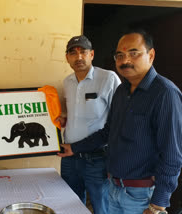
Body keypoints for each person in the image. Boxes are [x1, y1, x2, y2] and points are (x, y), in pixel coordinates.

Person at [58, 28, 182, 214]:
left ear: (151, 55)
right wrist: (73, 147)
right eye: (120, 55)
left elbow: (172, 155)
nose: (125, 60)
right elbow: (108, 131)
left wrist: (158, 204)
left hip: (141, 195)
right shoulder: (122, 92)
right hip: (114, 187)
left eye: (133, 53)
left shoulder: (165, 94)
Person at [56, 35, 121, 214]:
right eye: (73, 53)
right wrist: (65, 120)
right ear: (67, 57)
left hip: (97, 158)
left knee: (102, 207)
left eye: (83, 52)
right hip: (69, 157)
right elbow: (77, 114)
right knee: (70, 206)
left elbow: (118, 120)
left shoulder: (108, 78)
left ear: (91, 54)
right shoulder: (67, 82)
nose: (78, 57)